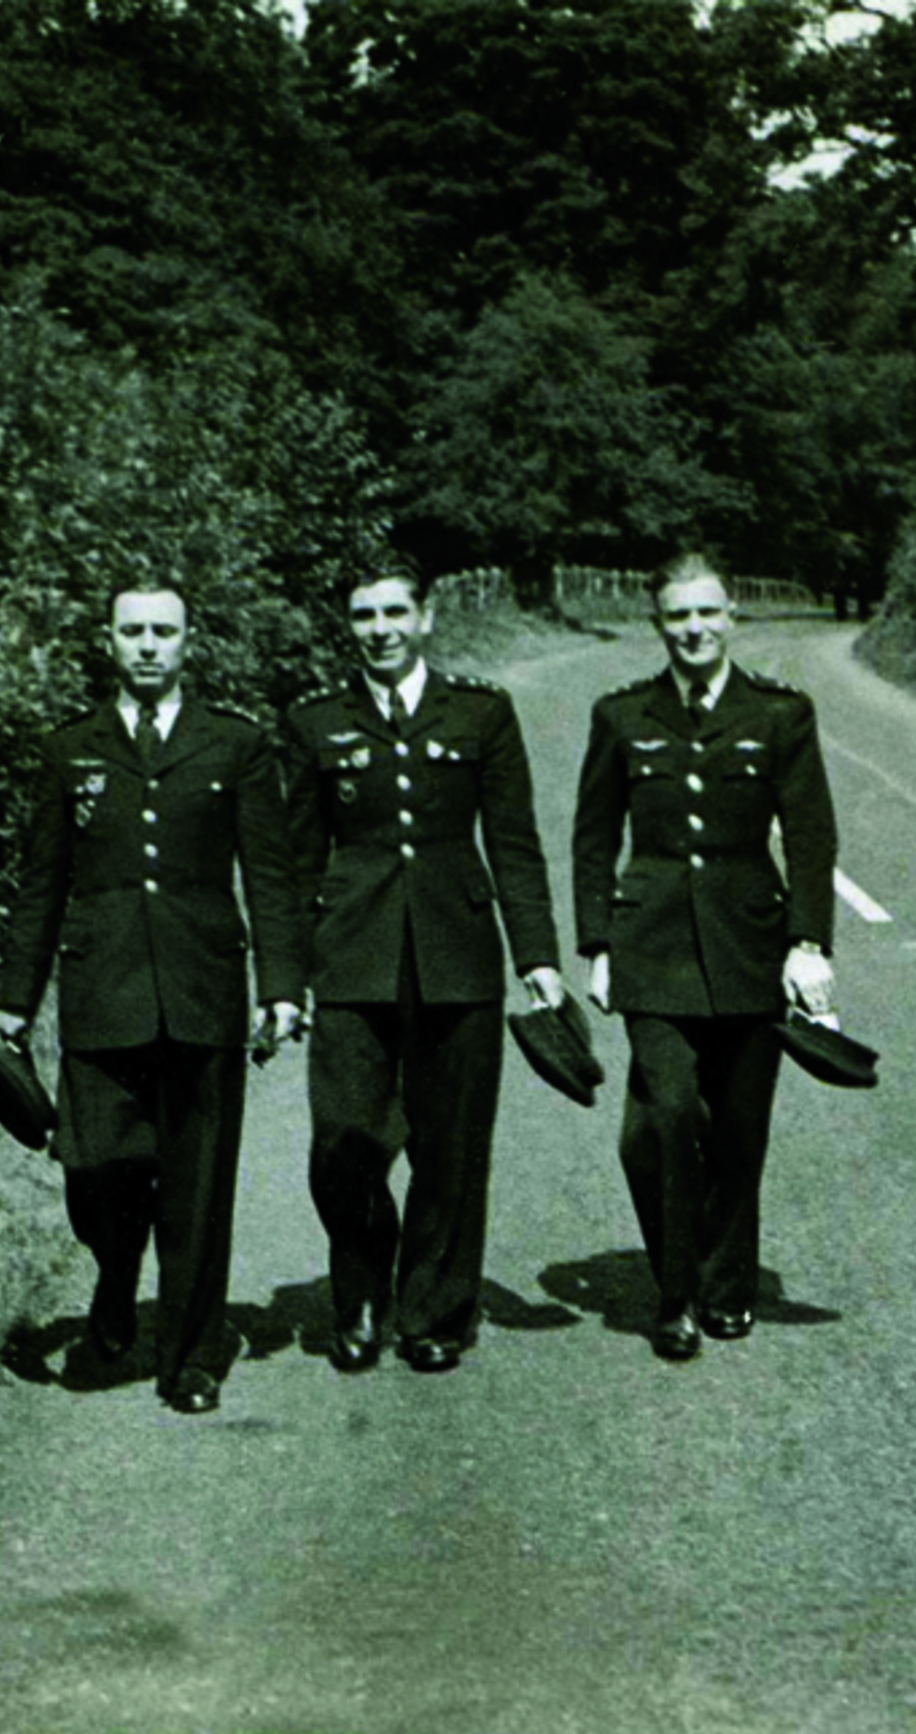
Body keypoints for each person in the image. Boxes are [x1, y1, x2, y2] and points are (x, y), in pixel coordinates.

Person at [0, 582, 306, 1415]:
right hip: (102, 990)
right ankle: (116, 1266)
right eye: (131, 630)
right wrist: (16, 996)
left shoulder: (236, 744)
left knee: (199, 1183)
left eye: (163, 631)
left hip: (205, 990)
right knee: (95, 1166)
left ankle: (192, 1356)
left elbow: (270, 878)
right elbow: (41, 882)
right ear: (108, 640)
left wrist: (282, 987)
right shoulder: (70, 749)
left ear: (188, 642)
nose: (147, 645)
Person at [280, 566, 565, 1375]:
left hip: (458, 952)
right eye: (363, 615)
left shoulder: (481, 712)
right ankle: (362, 1291)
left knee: (452, 1145)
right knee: (344, 1140)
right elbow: (295, 863)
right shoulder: (313, 720)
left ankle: (434, 1309)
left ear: (426, 618)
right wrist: (285, 980)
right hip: (352, 955)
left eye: (395, 612)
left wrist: (537, 957)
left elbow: (513, 844)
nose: (380, 629)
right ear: (348, 625)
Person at [571, 553, 839, 1361]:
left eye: (706, 613)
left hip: (750, 945)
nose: (693, 629)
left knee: (740, 1132)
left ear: (731, 617)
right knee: (663, 1121)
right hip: (650, 947)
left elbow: (811, 835)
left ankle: (727, 1288)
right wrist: (598, 943)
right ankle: (675, 1291)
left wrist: (807, 942)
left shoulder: (780, 714)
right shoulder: (622, 715)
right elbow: (593, 838)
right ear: (658, 625)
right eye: (677, 616)